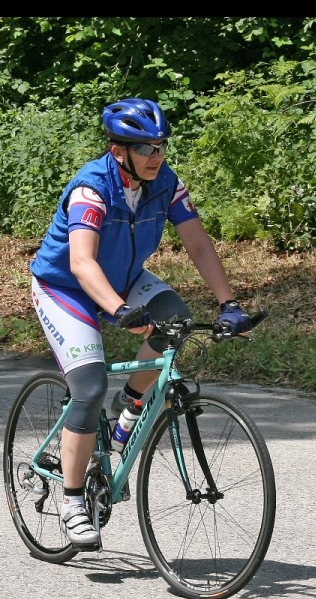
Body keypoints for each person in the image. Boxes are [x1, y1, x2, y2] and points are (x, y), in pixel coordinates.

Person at [29, 97, 254, 550]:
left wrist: (229, 302)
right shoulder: (91, 189)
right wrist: (117, 311)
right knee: (88, 389)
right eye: (146, 148)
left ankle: (129, 410)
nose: (157, 156)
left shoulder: (166, 184)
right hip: (65, 287)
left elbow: (199, 247)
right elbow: (80, 262)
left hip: (123, 279)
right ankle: (72, 502)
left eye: (161, 146)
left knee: (176, 319)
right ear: (119, 152)